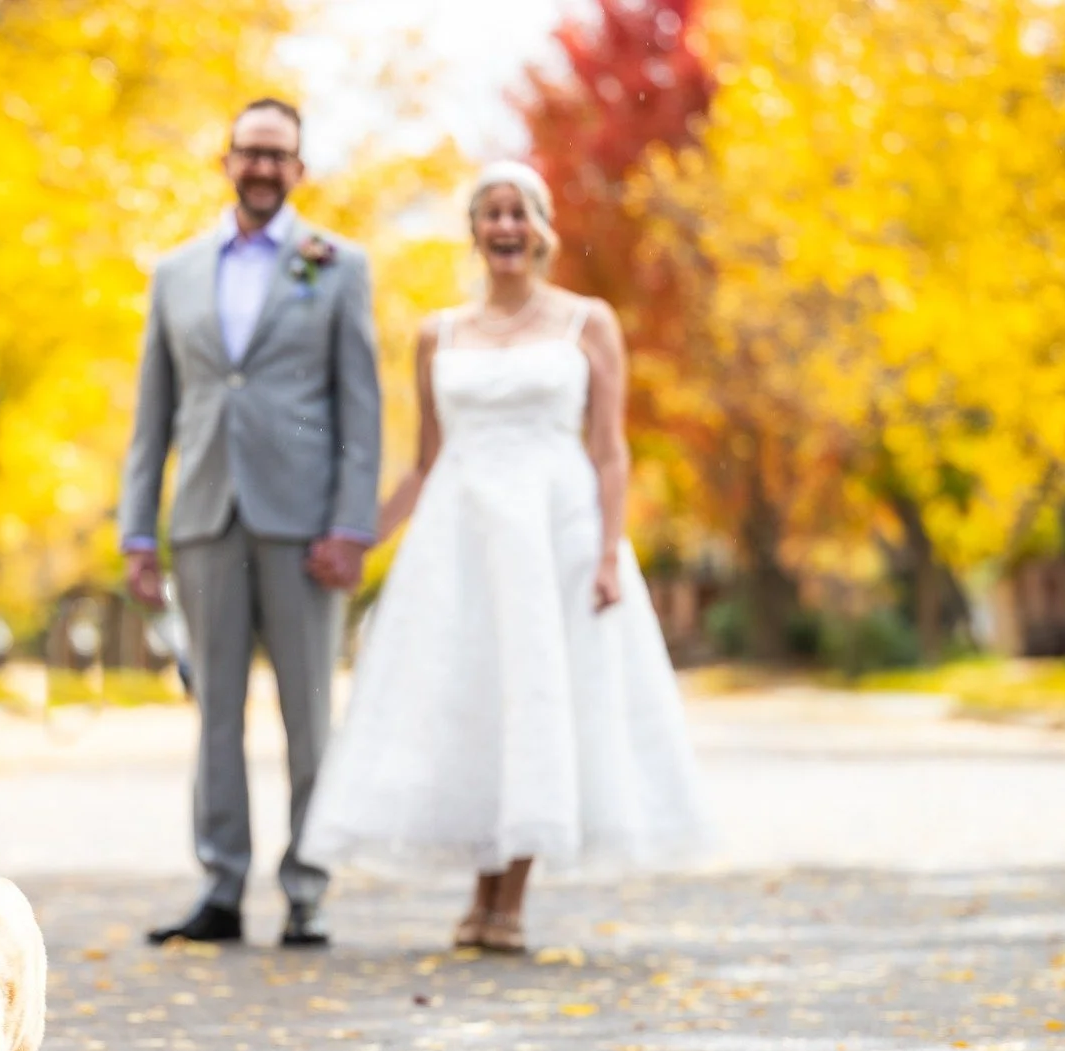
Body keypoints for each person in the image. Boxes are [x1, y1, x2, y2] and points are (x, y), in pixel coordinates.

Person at [299, 161, 709, 952]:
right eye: (490, 213)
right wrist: (361, 540)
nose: (505, 225)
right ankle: (481, 892)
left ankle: (508, 899)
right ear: (475, 232)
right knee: (472, 701)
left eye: (518, 211)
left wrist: (606, 555)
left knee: (537, 697)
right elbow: (424, 462)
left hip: (554, 533)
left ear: (542, 227)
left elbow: (611, 452)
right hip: (458, 542)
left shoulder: (587, 323)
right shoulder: (437, 334)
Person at [118, 98, 384, 949]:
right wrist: (137, 530)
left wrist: (351, 523)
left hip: (305, 528)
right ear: (226, 160)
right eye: (250, 152)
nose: (264, 167)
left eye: (281, 155)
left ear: (299, 170)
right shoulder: (175, 273)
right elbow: (150, 415)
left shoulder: (337, 266)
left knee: (309, 715)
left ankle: (307, 889)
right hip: (204, 517)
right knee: (217, 714)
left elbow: (359, 410)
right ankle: (222, 886)